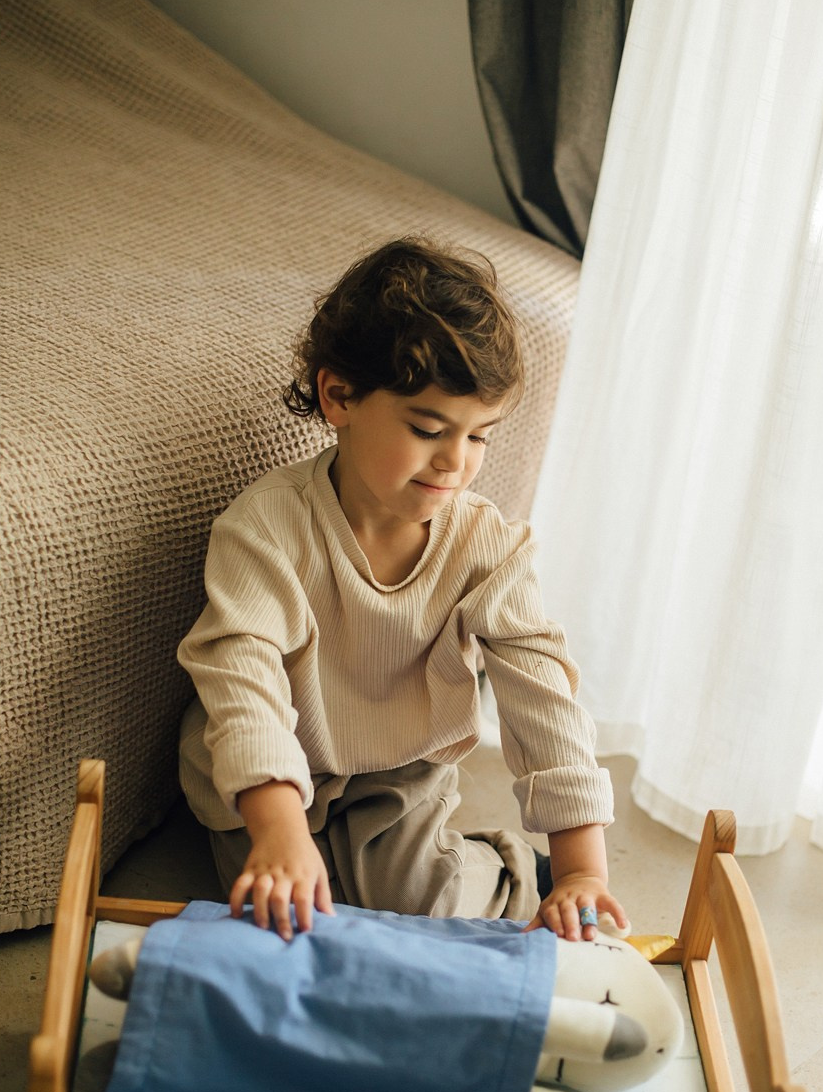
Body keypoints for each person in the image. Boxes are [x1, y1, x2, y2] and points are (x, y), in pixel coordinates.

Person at [177, 237, 624, 944]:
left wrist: (580, 871)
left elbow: (544, 700)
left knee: (421, 905)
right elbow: (241, 679)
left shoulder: (486, 544)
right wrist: (279, 832)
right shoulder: (266, 527)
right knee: (288, 918)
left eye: (479, 437)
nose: (455, 462)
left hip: (399, 769)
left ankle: (509, 869)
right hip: (273, 762)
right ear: (339, 397)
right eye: (428, 429)